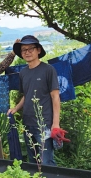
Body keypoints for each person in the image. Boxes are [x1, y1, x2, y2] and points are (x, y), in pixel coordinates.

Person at [7, 35, 62, 167]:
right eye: (24, 50)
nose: (27, 52)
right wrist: (15, 108)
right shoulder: (23, 73)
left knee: (46, 161)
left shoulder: (48, 70)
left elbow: (55, 96)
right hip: (28, 122)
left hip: (44, 123)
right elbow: (26, 94)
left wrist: (56, 124)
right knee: (33, 161)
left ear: (38, 50)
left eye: (30, 48)